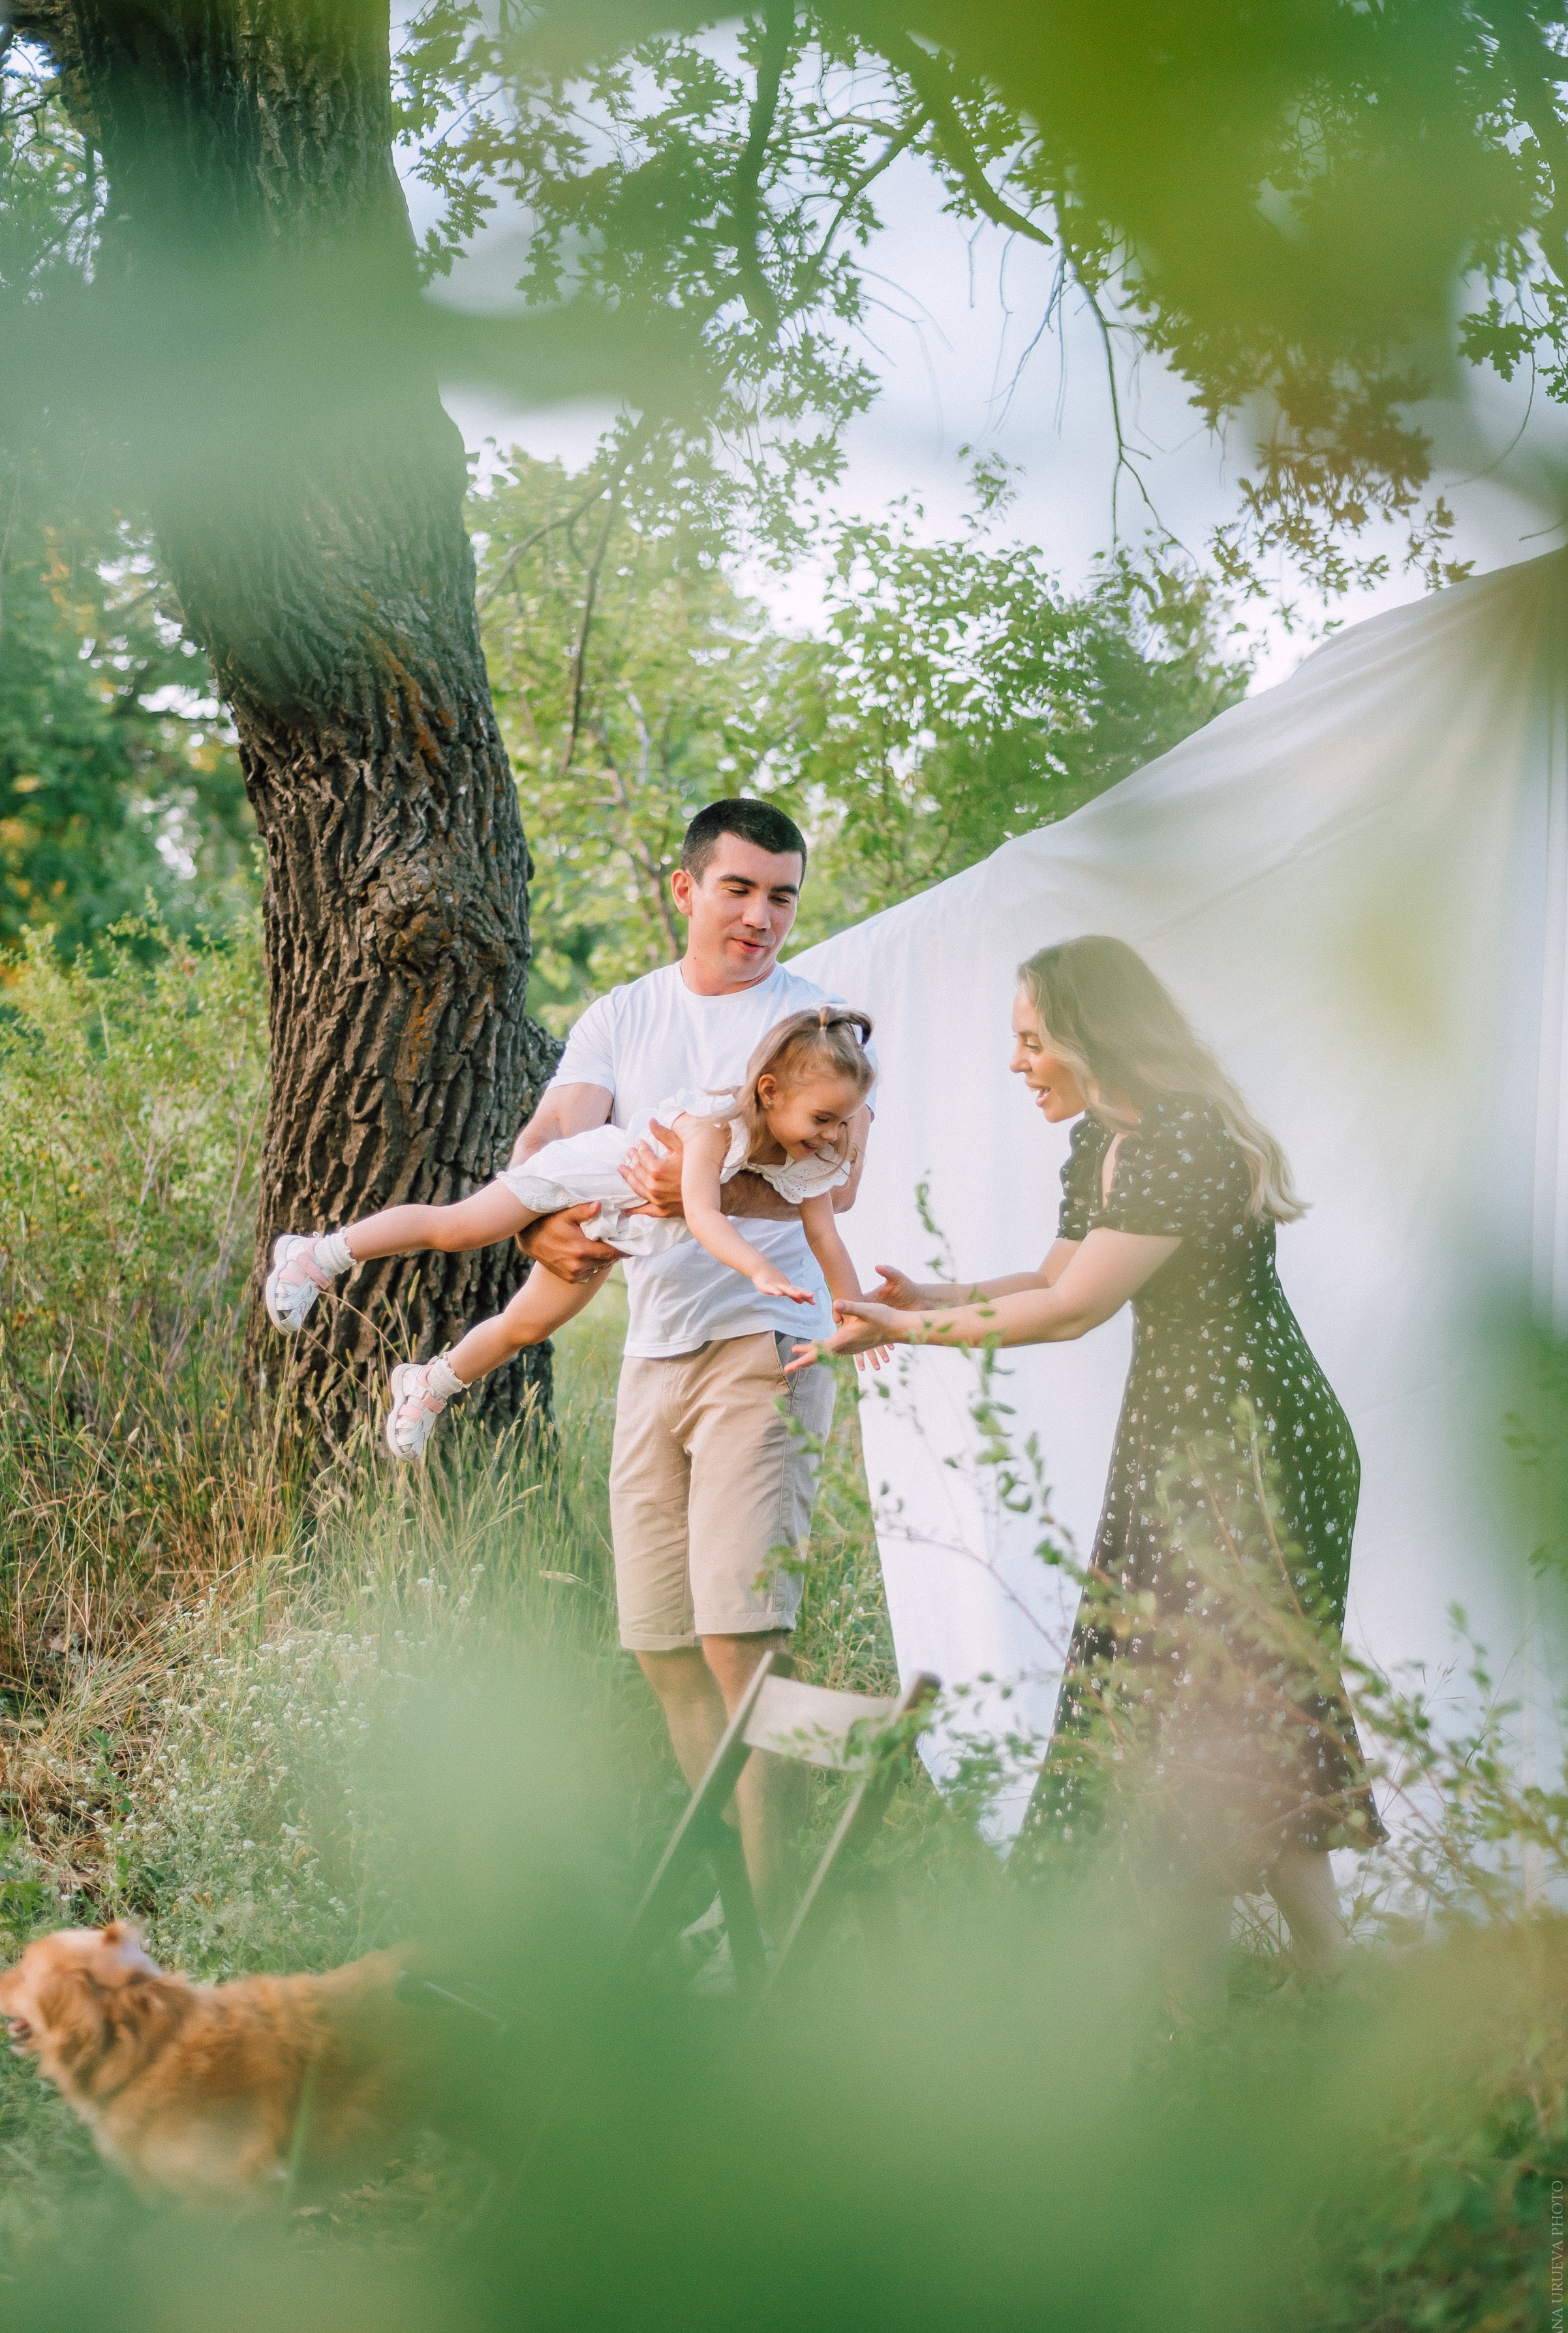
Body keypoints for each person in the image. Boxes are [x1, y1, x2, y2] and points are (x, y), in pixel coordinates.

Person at [800, 934, 1382, 2015]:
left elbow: (1071, 1313)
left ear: (1089, 1035)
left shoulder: (1183, 1142)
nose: (1018, 1065)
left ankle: (1311, 1981)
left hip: (1252, 1443)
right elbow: (1049, 1277)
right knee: (1187, 1697)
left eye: (1031, 1042)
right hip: (1174, 1437)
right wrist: (927, 1294)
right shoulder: (1102, 1145)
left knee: (1243, 1697)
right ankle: (1233, 1992)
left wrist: (905, 1333)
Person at [493, 799, 873, 1940]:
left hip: (763, 1343)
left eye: (781, 896)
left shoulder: (811, 1022)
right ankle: (734, 1910)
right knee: (664, 1650)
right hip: (652, 1354)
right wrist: (533, 1231)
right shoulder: (622, 1015)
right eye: (739, 889)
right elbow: (548, 1144)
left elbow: (835, 1186)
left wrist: (691, 1196)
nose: (760, 915)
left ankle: (775, 1932)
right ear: (685, 889)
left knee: (737, 1640)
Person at [263, 1003, 881, 1462]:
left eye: (844, 1121)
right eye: (823, 1119)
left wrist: (850, 1312)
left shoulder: (813, 1157)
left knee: (527, 1326)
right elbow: (704, 1214)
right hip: (577, 1180)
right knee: (458, 1229)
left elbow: (825, 1236)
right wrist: (759, 1270)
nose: (833, 1135)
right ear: (769, 1093)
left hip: (624, 1225)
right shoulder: (711, 1127)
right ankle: (316, 1256)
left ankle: (427, 1384)